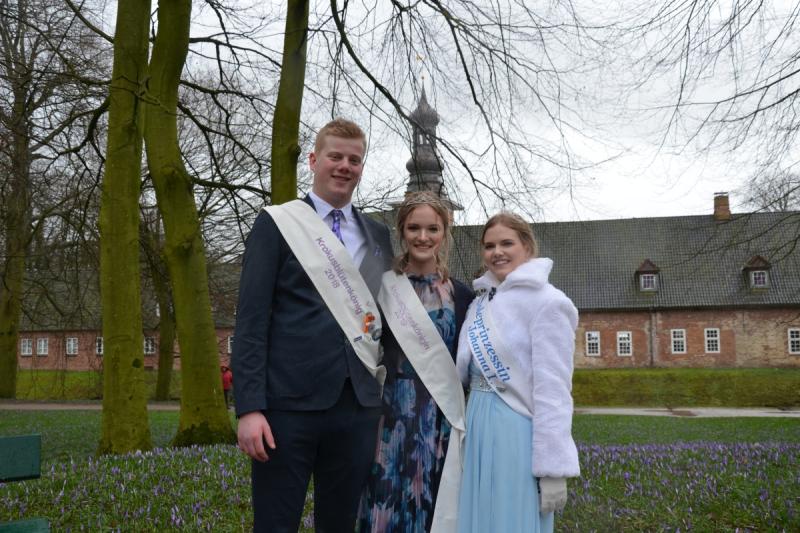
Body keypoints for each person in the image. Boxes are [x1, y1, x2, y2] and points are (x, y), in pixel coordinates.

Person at [232, 118, 394, 532]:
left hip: (357, 408)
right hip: (287, 408)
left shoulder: (378, 235)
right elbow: (250, 321)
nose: (344, 166)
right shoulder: (277, 223)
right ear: (313, 160)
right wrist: (249, 408)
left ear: (361, 167)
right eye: (335, 156)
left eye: (354, 160)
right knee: (275, 524)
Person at [455, 212, 580, 533]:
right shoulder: (479, 304)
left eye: (506, 243)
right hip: (476, 422)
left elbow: (553, 391)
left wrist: (553, 469)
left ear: (527, 246)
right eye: (489, 246)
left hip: (515, 429)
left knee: (509, 517)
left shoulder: (549, 302)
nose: (497, 252)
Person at [358, 191, 473, 533]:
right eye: (414, 228)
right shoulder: (380, 289)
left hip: (441, 416)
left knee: (436, 504)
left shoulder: (462, 296)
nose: (423, 237)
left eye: (432, 229)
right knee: (387, 501)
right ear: (401, 231)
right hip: (391, 417)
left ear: (445, 233)